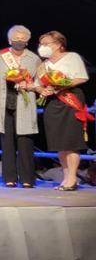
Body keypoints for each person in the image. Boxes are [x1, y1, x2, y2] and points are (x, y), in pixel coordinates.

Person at [33, 30, 90, 191]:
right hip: (53, 103)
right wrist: (42, 90)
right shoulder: (43, 65)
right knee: (59, 143)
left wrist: (62, 84)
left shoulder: (72, 57)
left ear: (58, 44)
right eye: (41, 44)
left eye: (46, 44)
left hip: (71, 100)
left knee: (70, 142)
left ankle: (72, 179)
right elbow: (37, 85)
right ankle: (65, 178)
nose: (42, 47)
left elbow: (82, 77)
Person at [0, 25, 41, 188]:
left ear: (27, 41)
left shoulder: (34, 59)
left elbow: (39, 82)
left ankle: (27, 178)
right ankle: (9, 178)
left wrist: (29, 85)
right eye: (16, 38)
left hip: (24, 103)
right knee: (7, 143)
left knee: (25, 142)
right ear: (9, 40)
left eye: (22, 39)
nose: (19, 41)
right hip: (4, 102)